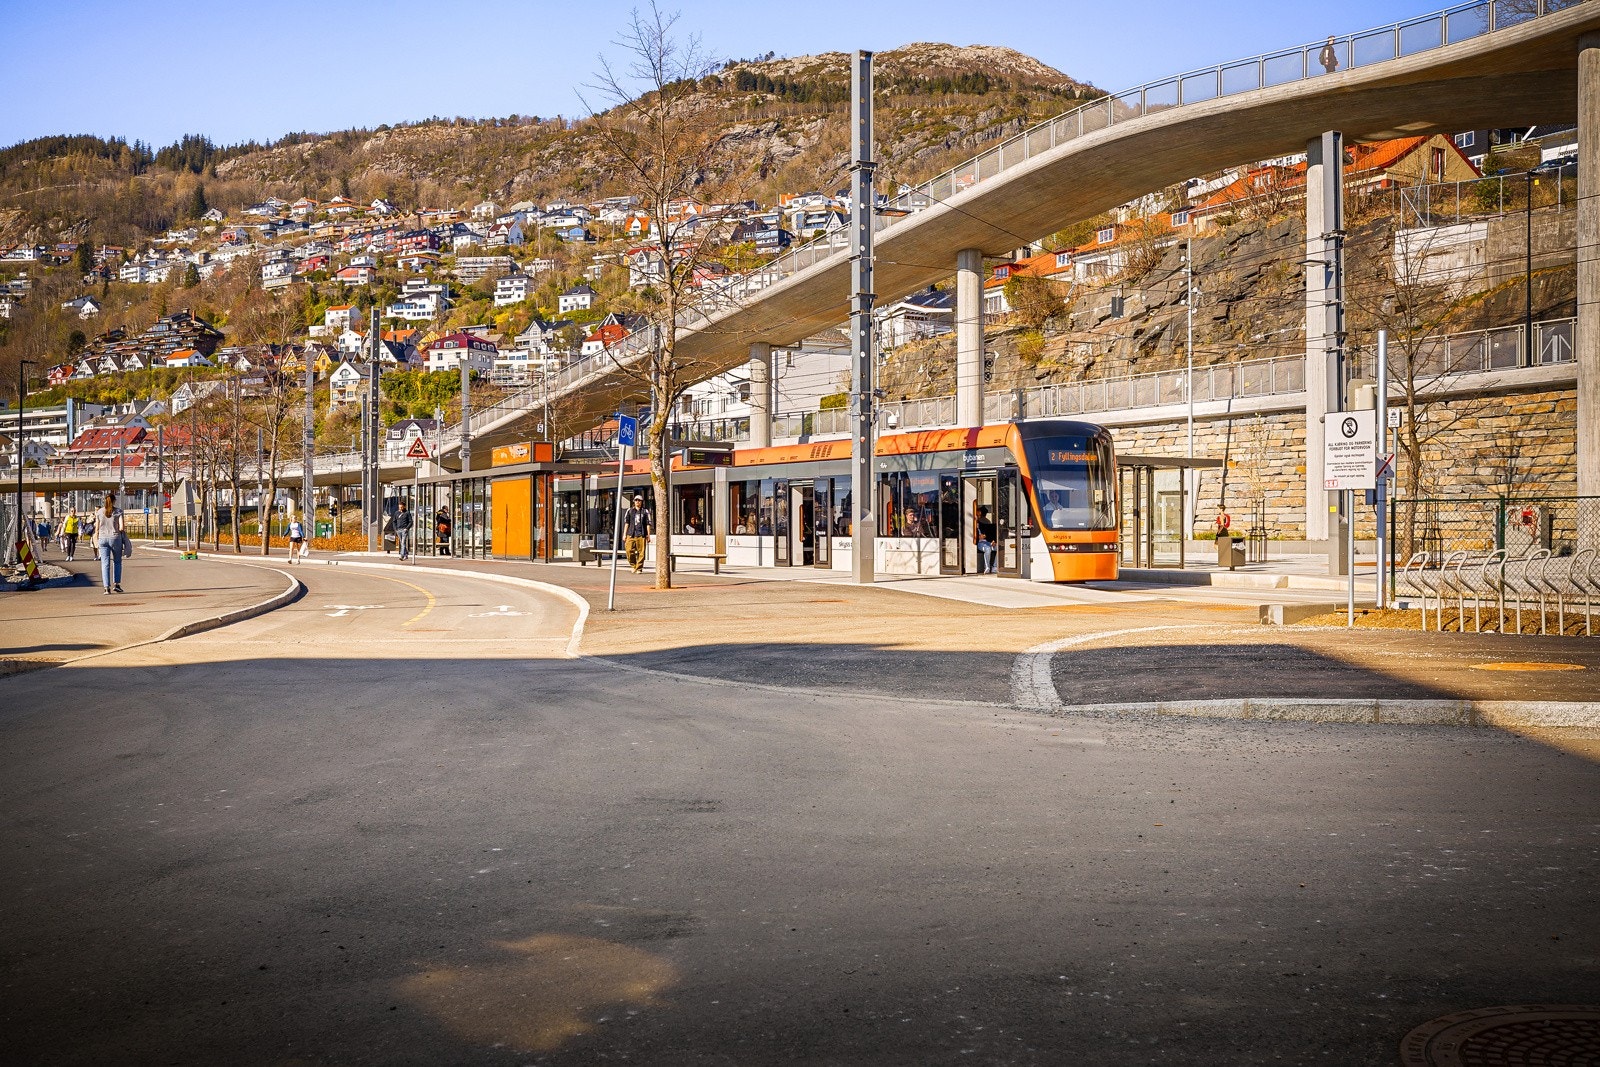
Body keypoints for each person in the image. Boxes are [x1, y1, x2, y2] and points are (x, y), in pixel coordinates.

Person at [92, 493, 125, 594]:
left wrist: (97, 539)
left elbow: (97, 528)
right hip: (115, 538)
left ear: (104, 501)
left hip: (102, 539)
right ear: (114, 501)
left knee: (105, 563)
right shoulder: (118, 511)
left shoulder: (99, 512)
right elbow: (121, 527)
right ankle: (117, 585)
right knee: (117, 562)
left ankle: (106, 587)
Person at [622, 494, 651, 573]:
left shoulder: (645, 511)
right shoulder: (630, 510)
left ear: (642, 502)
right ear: (634, 502)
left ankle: (639, 568)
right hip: (631, 533)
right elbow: (627, 523)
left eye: (639, 500)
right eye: (636, 500)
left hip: (641, 534)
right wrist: (624, 534)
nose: (638, 502)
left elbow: (648, 524)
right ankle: (634, 565)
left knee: (641, 552)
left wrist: (648, 535)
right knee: (629, 550)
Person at [975, 505, 997, 574]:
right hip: (980, 543)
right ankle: (987, 567)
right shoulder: (976, 522)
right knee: (987, 548)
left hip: (988, 541)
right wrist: (978, 537)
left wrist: (993, 540)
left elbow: (990, 533)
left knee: (998, 548)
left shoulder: (983, 522)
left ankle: (995, 567)